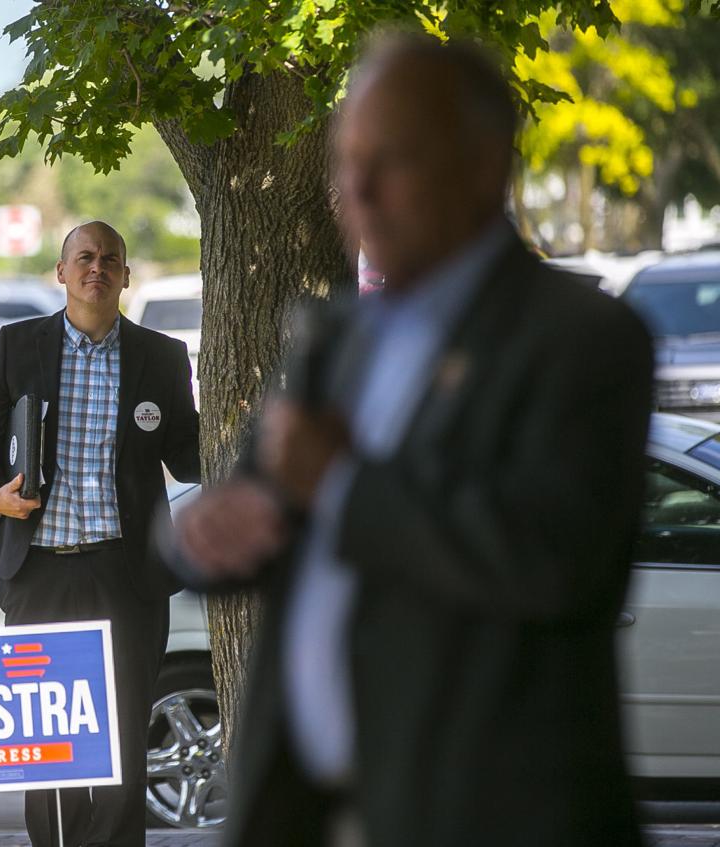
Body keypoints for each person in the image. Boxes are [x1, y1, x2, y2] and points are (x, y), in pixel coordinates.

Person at [169, 36, 653, 847]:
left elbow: (554, 554)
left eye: (390, 158)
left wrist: (344, 487)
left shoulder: (583, 338)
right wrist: (197, 533)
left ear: (483, 163)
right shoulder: (337, 337)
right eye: (346, 158)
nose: (355, 188)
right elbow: (251, 503)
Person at [0, 221, 201, 847]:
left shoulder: (162, 356)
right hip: (39, 572)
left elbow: (189, 456)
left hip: (128, 576)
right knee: (48, 741)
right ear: (61, 273)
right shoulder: (18, 346)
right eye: (84, 257)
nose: (97, 267)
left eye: (110, 259)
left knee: (121, 740)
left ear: (125, 275)